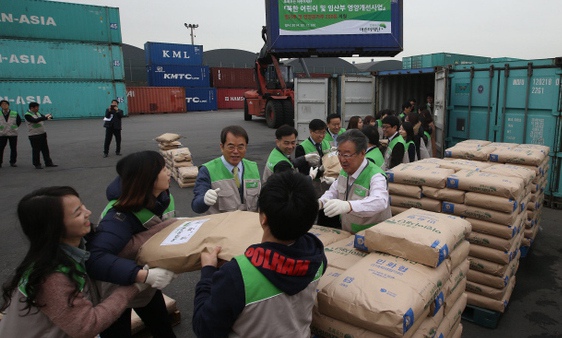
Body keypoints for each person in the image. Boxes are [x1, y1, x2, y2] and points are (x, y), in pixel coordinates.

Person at [192, 171, 327, 337]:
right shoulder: (317, 256)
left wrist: (207, 274)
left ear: (263, 218)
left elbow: (204, 328)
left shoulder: (236, 275)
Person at [0, 186, 147, 337]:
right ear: (54, 228)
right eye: (78, 213)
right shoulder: (52, 278)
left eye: (83, 206)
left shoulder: (75, 247)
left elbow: (122, 247)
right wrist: (134, 286)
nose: (88, 213)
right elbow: (87, 326)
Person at [86, 151, 177, 338]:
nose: (169, 173)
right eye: (163, 169)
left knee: (163, 328)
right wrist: (142, 275)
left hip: (145, 286)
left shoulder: (162, 198)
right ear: (147, 178)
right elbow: (94, 259)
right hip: (116, 287)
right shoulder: (118, 216)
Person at [318, 129, 391, 233]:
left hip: (371, 235)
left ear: (362, 153)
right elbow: (334, 191)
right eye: (339, 153)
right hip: (348, 232)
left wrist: (349, 206)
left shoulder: (376, 176)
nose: (342, 160)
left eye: (347, 155)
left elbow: (380, 201)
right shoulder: (344, 171)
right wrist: (321, 202)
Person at [192, 125, 261, 214]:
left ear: (246, 147)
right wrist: (204, 200)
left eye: (240, 147)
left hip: (249, 226)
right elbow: (196, 206)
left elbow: (261, 200)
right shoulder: (207, 170)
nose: (236, 151)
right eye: (231, 147)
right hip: (221, 226)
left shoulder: (253, 167)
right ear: (222, 147)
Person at [295, 119, 339, 228]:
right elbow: (302, 170)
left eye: (323, 132)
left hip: (327, 186)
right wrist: (320, 170)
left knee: (328, 214)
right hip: (313, 187)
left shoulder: (326, 144)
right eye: (318, 132)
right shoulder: (302, 147)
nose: (321, 136)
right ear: (311, 132)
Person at [24, 102, 57, 169]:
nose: (38, 108)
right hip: (34, 134)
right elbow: (35, 120)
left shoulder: (38, 113)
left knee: (45, 149)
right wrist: (44, 117)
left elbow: (44, 118)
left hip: (42, 133)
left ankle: (48, 162)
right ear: (31, 108)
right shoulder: (27, 115)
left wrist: (49, 117)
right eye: (36, 107)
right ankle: (37, 163)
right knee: (36, 150)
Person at [0, 100, 22, 168]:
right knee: (1, 148)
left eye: (5, 104)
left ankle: (12, 162)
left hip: (12, 133)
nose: (4, 105)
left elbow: (19, 121)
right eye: (2, 104)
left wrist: (14, 127)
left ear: (8, 105)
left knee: (13, 148)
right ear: (0, 106)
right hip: (2, 133)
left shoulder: (14, 113)